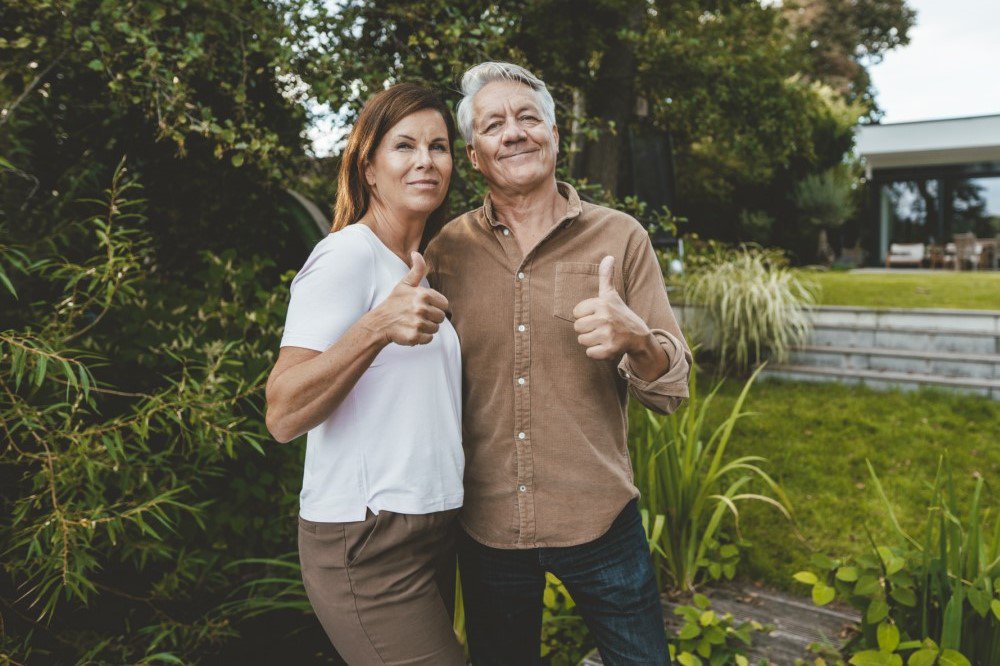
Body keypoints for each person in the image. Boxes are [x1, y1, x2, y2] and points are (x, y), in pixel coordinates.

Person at [425, 62, 691, 666]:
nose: (513, 132)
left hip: (599, 518)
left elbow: (671, 390)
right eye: (494, 125)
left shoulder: (620, 238)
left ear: (554, 134)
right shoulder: (444, 252)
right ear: (473, 155)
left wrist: (638, 340)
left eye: (528, 117)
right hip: (487, 523)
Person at [264, 83, 465, 665]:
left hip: (432, 526)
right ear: (369, 169)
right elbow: (282, 412)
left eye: (439, 146)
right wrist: (376, 327)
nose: (426, 160)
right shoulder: (346, 255)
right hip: (368, 539)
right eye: (404, 145)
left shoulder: (419, 268)